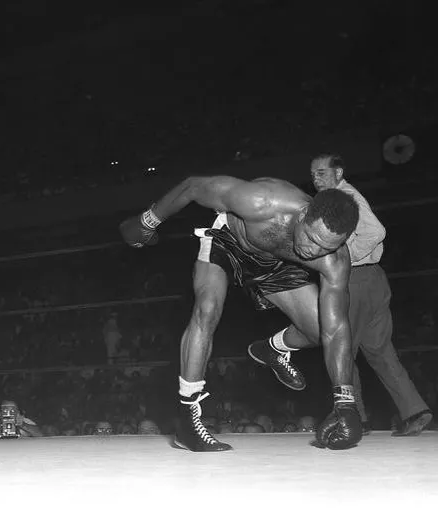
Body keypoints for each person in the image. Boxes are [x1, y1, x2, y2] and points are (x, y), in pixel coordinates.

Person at [120, 175, 361, 451]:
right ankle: (187, 417)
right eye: (312, 238)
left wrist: (346, 402)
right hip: (229, 243)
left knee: (319, 331)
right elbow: (193, 186)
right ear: (304, 213)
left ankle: (272, 349)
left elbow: (336, 328)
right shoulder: (261, 200)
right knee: (206, 309)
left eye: (326, 247)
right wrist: (148, 221)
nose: (313, 252)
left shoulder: (335, 261)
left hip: (273, 265)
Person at [249, 154, 433, 436]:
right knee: (382, 352)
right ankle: (415, 411)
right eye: (313, 174)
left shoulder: (344, 196)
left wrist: (344, 259)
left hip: (355, 280)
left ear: (339, 172)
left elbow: (376, 232)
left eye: (322, 173)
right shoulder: (338, 198)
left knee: (342, 347)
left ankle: (354, 416)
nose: (316, 179)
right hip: (374, 279)